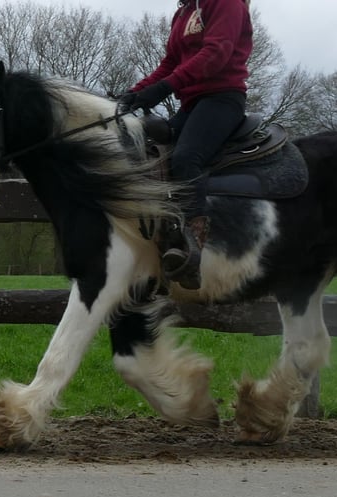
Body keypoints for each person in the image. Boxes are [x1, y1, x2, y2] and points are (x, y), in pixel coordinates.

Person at [119, 0, 253, 289]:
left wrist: (164, 88)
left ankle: (193, 252)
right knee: (151, 153)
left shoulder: (227, 3)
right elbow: (170, 63)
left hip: (223, 99)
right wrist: (135, 93)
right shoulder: (184, 11)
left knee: (186, 158)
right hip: (191, 104)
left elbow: (215, 54)